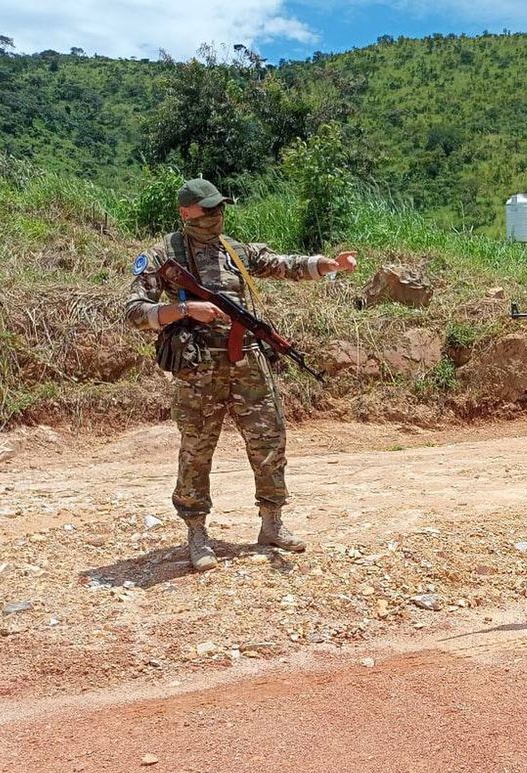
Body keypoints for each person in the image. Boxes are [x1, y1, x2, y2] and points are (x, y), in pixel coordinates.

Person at [126, 178, 358, 572]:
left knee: (269, 439)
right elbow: (133, 310)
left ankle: (272, 524)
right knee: (197, 450)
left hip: (248, 362)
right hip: (198, 369)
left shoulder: (233, 250)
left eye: (220, 210)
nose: (216, 217)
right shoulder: (164, 255)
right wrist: (184, 311)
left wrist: (328, 265)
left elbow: (282, 264)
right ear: (186, 213)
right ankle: (197, 533)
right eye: (208, 210)